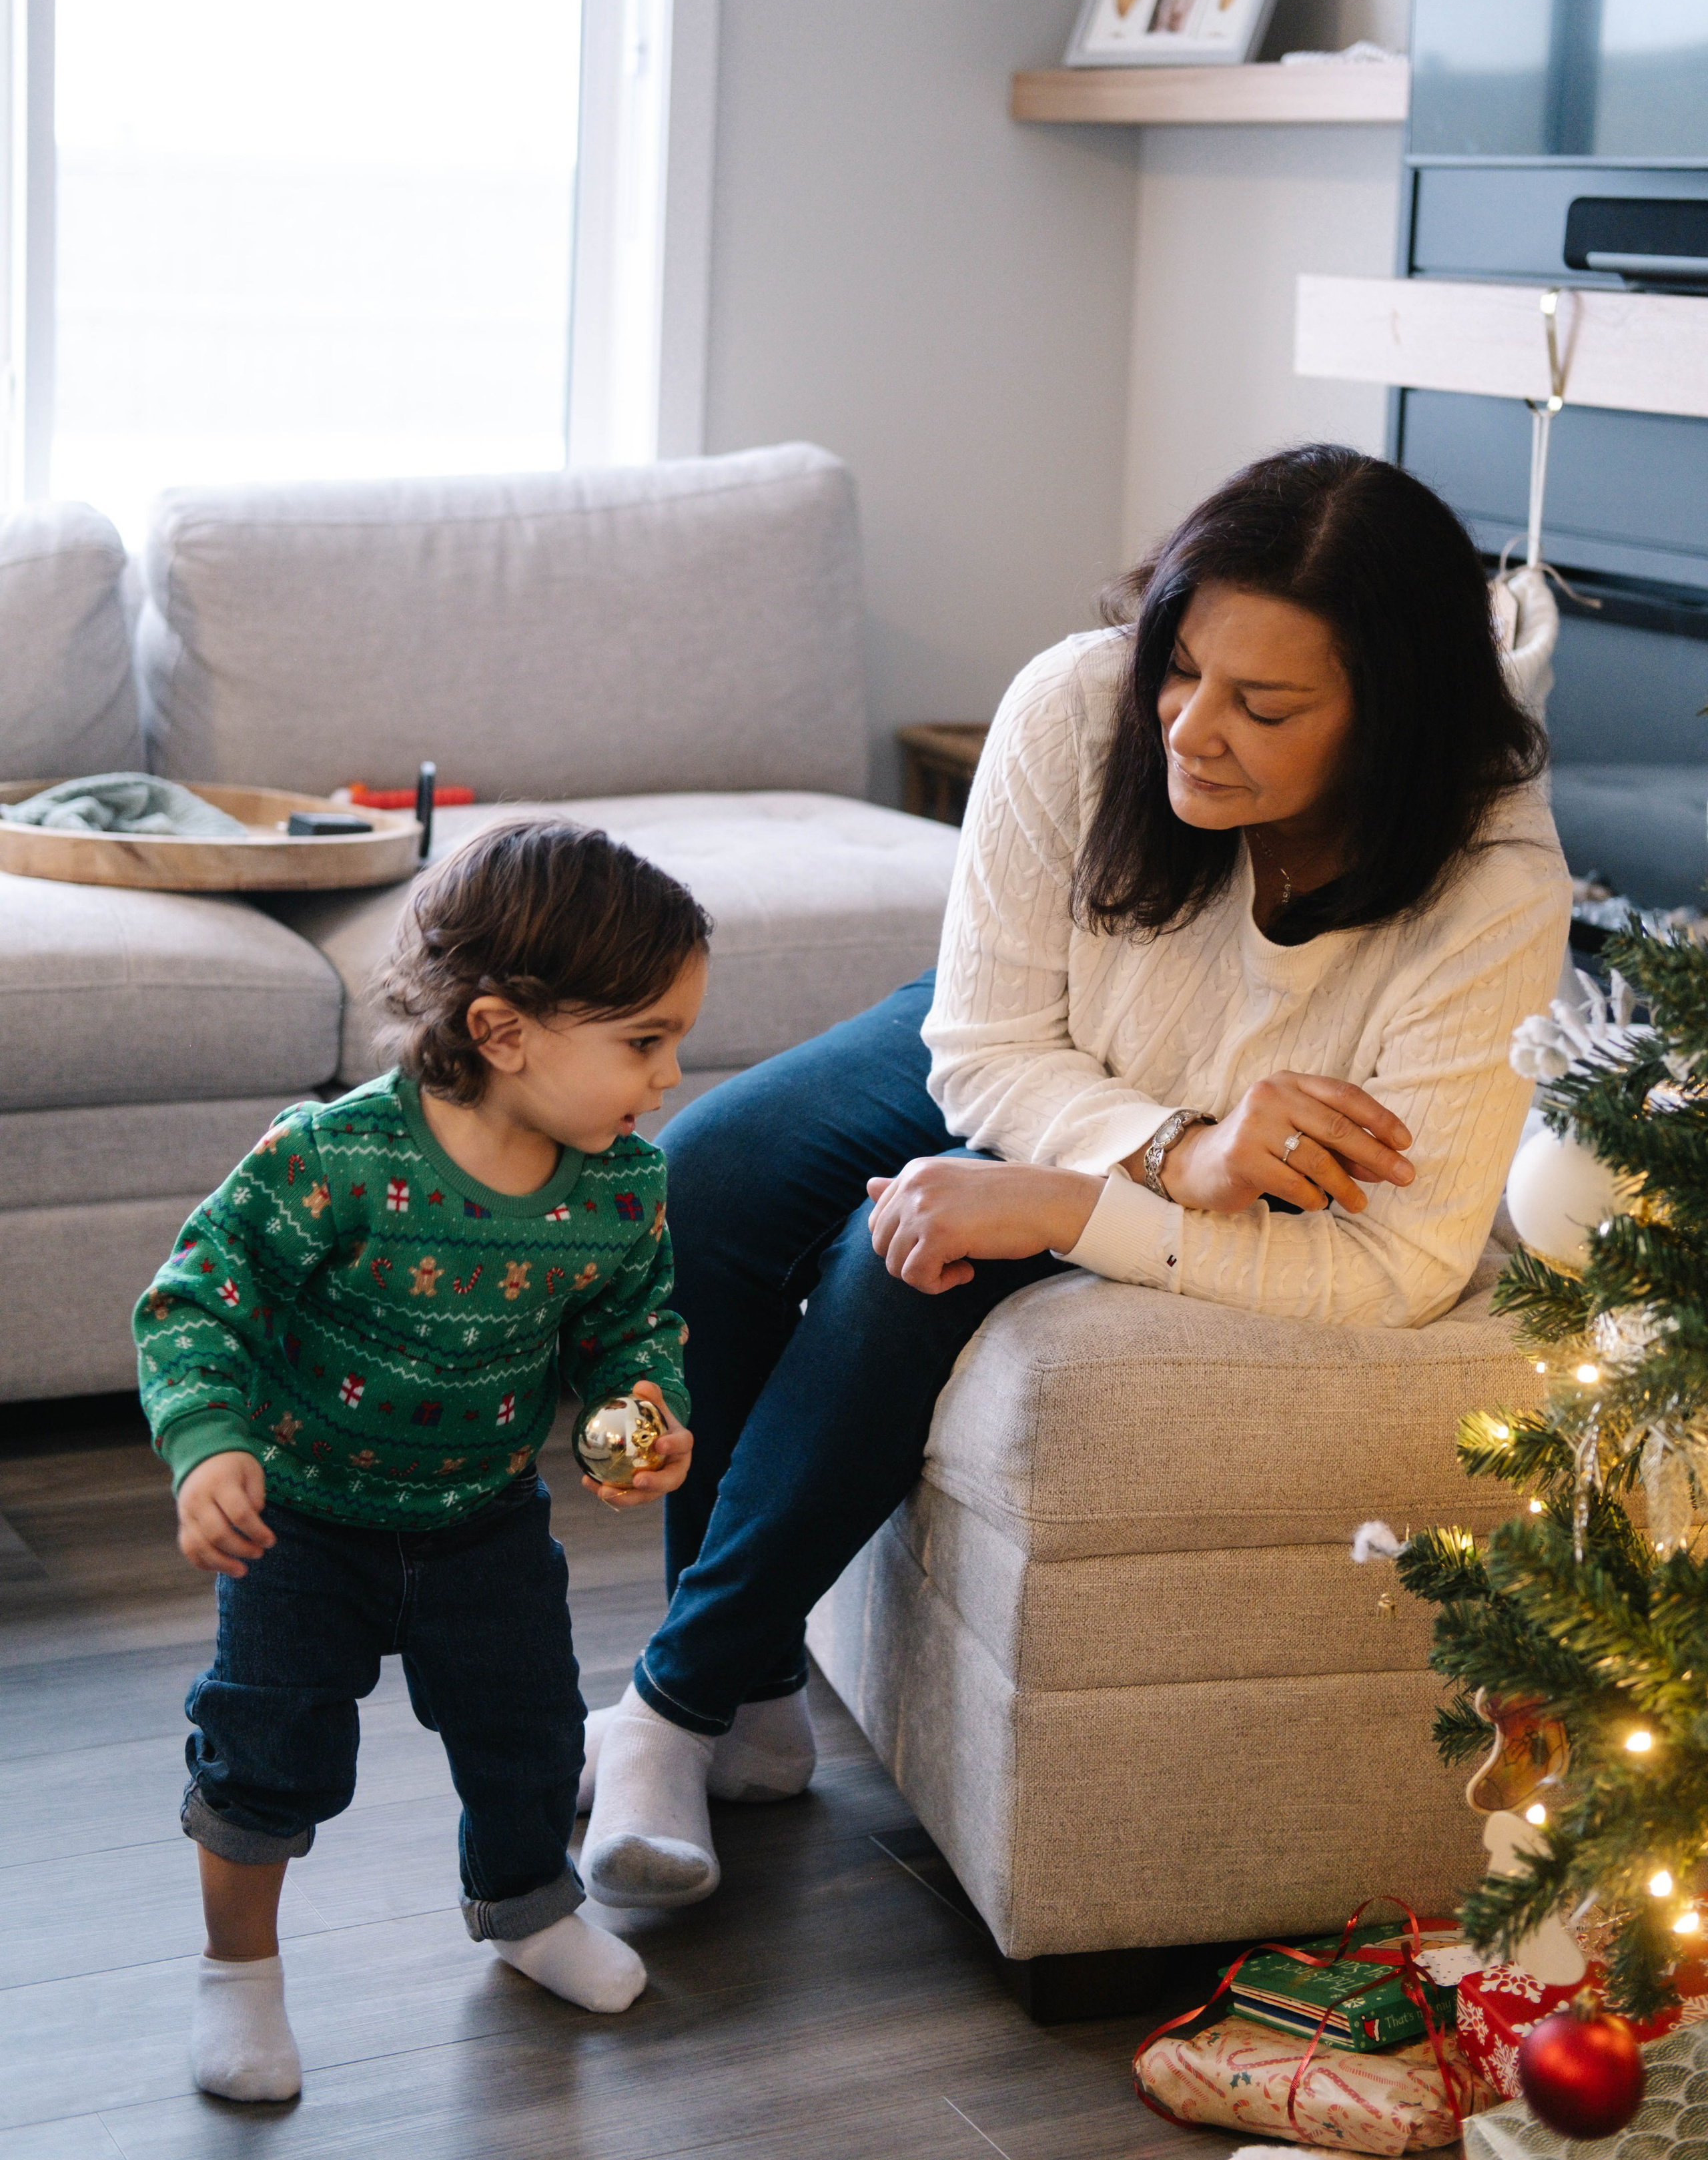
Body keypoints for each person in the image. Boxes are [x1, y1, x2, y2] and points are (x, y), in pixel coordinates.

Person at [578, 444, 1571, 1912]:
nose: (1190, 728)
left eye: (1266, 704)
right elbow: (981, 1043)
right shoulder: (1075, 707)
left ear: (1392, 720)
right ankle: (750, 1669)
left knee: (907, 1257)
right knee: (699, 1179)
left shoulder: (1488, 887)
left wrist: (1064, 1205)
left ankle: (666, 1710)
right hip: (1054, 1053)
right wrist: (1177, 1151)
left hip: (1178, 1152)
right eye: (1180, 666)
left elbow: (1400, 1265)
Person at [133, 821, 708, 2104]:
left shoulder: (623, 1192)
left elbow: (633, 1331)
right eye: (643, 1041)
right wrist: (208, 1444)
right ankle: (239, 1976)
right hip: (301, 1530)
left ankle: (526, 1913)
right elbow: (194, 1304)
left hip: (483, 1524)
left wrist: (646, 1415)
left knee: (527, 1733)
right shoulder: (332, 1159)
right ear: (504, 1032)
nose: (671, 1076)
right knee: (267, 1752)